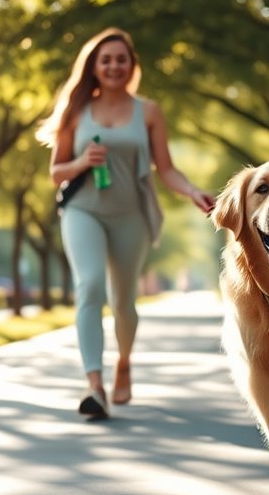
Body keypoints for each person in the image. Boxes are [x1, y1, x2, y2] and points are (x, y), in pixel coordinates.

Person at [36, 27, 215, 421]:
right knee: (89, 287)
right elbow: (55, 174)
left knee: (123, 303)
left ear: (131, 65)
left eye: (121, 59)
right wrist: (82, 162)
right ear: (94, 67)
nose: (113, 66)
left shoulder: (147, 111)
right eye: (106, 60)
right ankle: (94, 385)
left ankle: (124, 362)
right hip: (83, 210)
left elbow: (165, 169)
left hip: (131, 214)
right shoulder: (75, 111)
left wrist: (192, 191)